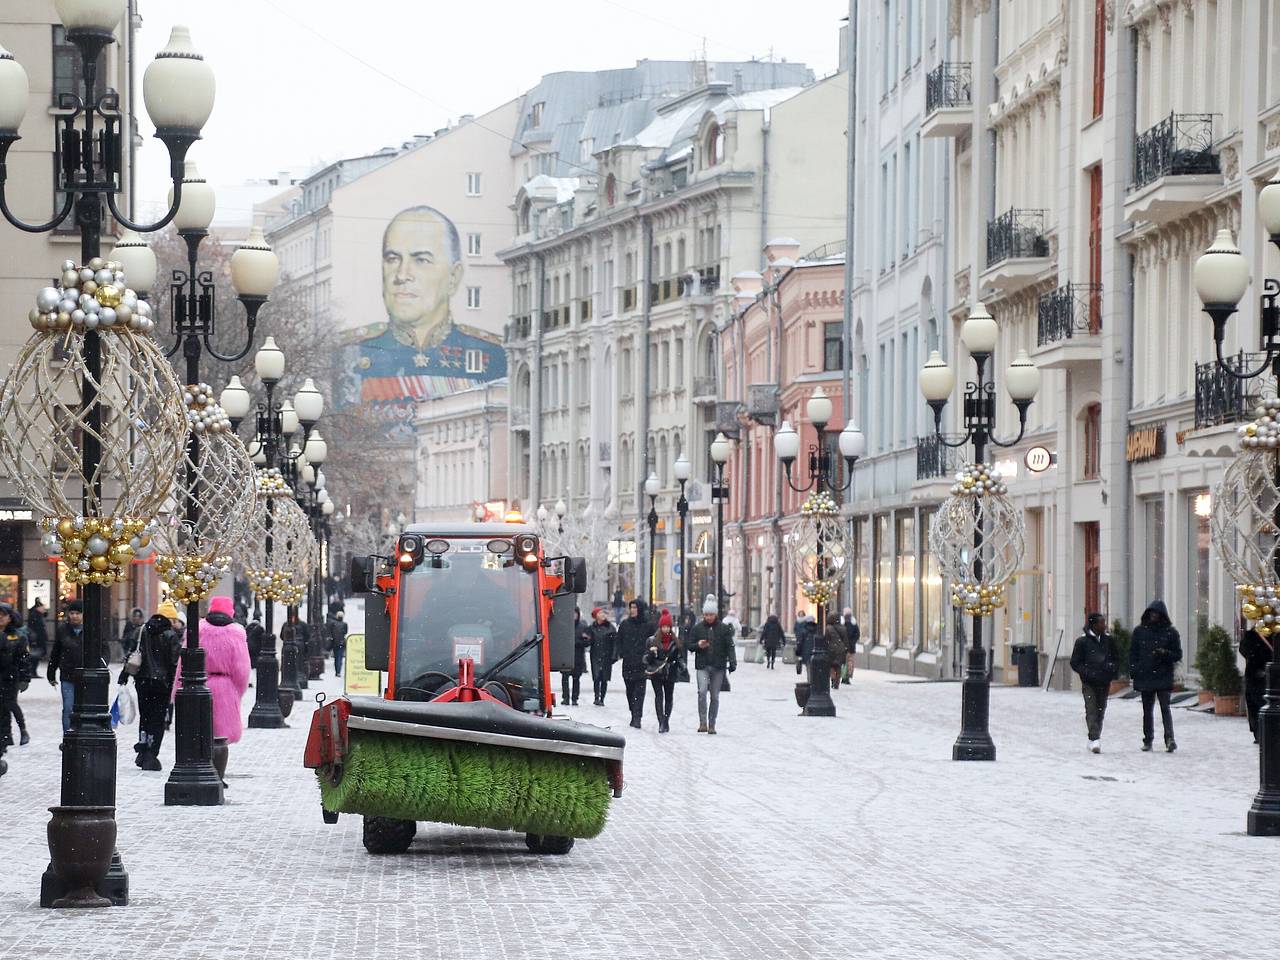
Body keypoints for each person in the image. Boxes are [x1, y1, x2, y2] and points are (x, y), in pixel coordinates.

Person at [195, 596, 251, 788]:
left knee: (202, 731)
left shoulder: (198, 630)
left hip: (200, 683)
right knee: (221, 737)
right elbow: (242, 670)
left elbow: (183, 663)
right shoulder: (236, 634)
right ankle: (218, 775)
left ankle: (204, 770)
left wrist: (178, 690)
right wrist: (238, 691)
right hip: (225, 686)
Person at [120, 610, 182, 770]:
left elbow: (131, 653)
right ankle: (151, 753)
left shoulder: (141, 630)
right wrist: (174, 683)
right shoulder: (170, 635)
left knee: (145, 716)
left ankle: (142, 748)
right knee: (158, 719)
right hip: (162, 684)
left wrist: (125, 674)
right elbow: (174, 662)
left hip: (142, 681)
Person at [1130, 599, 1182, 752]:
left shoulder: (1170, 632)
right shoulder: (1139, 632)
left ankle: (1169, 738)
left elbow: (1177, 654)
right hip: (1145, 675)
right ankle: (1148, 739)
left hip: (1163, 675)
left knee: (1165, 708)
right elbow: (1133, 654)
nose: (1154, 616)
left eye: (1157, 614)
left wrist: (1165, 653)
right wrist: (1135, 670)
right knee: (1147, 710)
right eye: (1152, 613)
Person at [1070, 613, 1119, 753]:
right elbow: (1075, 662)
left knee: (1100, 709)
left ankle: (1093, 738)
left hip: (1104, 681)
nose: (1104, 625)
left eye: (1104, 622)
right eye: (1101, 623)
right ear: (1093, 625)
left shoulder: (1109, 641)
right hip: (1089, 682)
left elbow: (1116, 658)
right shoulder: (1082, 642)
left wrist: (1111, 670)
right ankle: (1095, 738)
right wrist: (1085, 672)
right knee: (1091, 708)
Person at [689, 598, 736, 734]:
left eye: (711, 614)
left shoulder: (723, 629)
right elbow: (690, 646)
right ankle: (702, 722)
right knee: (702, 692)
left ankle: (712, 723)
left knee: (715, 696)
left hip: (718, 666)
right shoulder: (697, 629)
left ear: (715, 614)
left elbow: (730, 647)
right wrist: (698, 645)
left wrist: (732, 662)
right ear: (703, 615)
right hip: (702, 666)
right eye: (706, 614)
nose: (708, 617)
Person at [47, 599, 85, 734]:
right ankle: (68, 736)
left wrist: (102, 664)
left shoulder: (91, 630)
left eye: (78, 613)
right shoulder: (63, 630)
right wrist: (51, 673)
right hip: (68, 675)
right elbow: (56, 652)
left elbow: (103, 650)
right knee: (68, 708)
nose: (74, 616)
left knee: (86, 709)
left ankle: (82, 734)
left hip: (86, 676)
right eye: (72, 613)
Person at [644, 609, 684, 733]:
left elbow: (680, 657)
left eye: (668, 627)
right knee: (659, 696)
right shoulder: (652, 640)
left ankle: (666, 720)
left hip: (670, 671)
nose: (666, 629)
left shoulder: (675, 641)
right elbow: (646, 658)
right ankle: (661, 721)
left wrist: (680, 663)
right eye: (664, 626)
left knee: (669, 697)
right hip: (657, 671)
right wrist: (651, 654)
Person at [0, 603, 31, 748]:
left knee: (10, 704)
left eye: (3, 615)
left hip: (10, 677)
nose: (0, 618)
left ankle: (23, 729)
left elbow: (24, 659)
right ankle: (5, 736)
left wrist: (24, 678)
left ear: (10, 617)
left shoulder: (17, 636)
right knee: (2, 708)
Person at [617, 599, 651, 729]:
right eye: (631, 607)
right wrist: (621, 652)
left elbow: (653, 641)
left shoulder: (648, 625)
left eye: (635, 607)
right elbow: (619, 640)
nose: (632, 610)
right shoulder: (625, 624)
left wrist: (649, 655)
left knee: (639, 692)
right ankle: (633, 711)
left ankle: (637, 717)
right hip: (628, 663)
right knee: (630, 691)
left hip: (642, 664)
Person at [1240, 620, 1274, 744]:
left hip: (1256, 676)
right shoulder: (1273, 635)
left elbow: (1243, 651)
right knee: (1262, 705)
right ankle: (1264, 732)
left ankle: (1260, 733)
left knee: (1256, 705)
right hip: (1268, 676)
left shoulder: (1251, 636)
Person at [584, 608, 616, 706]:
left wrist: (614, 655)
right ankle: (596, 697)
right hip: (595, 655)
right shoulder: (592, 628)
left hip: (607, 656)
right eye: (600, 613)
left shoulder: (610, 628)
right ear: (596, 615)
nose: (603, 614)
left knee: (604, 678)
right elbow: (588, 642)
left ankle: (602, 698)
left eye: (603, 612)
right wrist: (586, 639)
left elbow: (615, 642)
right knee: (596, 677)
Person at [560, 607, 587, 707]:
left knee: (576, 679)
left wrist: (577, 643)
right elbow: (561, 640)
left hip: (578, 656)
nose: (573, 616)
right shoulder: (564, 626)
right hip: (566, 656)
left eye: (575, 613)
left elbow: (587, 641)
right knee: (565, 678)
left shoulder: (582, 627)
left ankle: (575, 698)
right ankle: (565, 698)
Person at [25, 598, 48, 676]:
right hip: (36, 639)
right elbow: (35, 628)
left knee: (36, 655)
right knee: (35, 655)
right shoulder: (35, 615)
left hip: (38, 638)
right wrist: (34, 639)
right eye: (42, 608)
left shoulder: (36, 614)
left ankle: (33, 671)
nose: (43, 609)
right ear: (38, 608)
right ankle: (32, 671)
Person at [326, 602, 349, 679]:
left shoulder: (333, 624)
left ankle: (337, 671)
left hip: (335, 642)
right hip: (342, 642)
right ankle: (338, 670)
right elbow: (345, 632)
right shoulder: (344, 624)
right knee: (340, 657)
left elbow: (330, 632)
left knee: (336, 657)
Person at [825, 615, 848, 690]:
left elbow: (826, 639)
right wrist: (845, 649)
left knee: (831, 665)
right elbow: (845, 641)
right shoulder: (843, 628)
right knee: (838, 666)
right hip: (840, 649)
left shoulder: (828, 628)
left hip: (831, 649)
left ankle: (833, 679)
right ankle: (836, 683)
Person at [841, 607, 859, 681]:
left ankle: (843, 676)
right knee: (850, 662)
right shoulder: (854, 624)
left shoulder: (842, 623)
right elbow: (857, 634)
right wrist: (853, 641)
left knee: (843, 662)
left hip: (843, 646)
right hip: (851, 647)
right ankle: (848, 676)